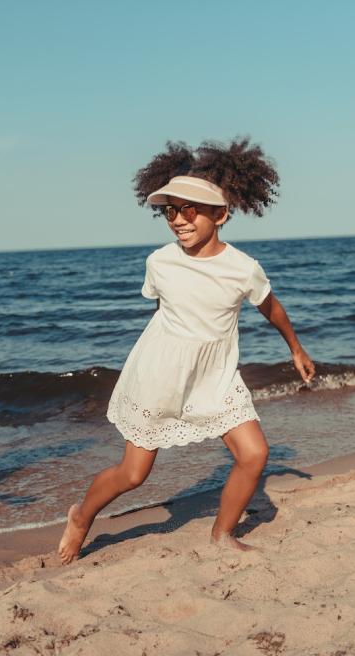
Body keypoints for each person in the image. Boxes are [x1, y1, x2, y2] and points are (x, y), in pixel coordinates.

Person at [58, 138, 315, 564]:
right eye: (169, 211)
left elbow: (270, 305)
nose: (178, 219)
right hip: (159, 375)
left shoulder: (242, 267)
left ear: (221, 214)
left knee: (254, 455)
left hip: (216, 376)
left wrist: (296, 348)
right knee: (134, 474)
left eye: (189, 209)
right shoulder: (160, 262)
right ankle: (81, 516)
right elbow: (166, 314)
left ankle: (222, 534)